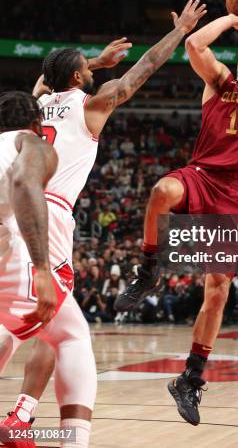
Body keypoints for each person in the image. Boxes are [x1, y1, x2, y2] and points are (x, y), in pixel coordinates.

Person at [0, 0, 206, 446]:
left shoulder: (37, 101)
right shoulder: (92, 105)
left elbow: (45, 77)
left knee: (31, 319)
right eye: (87, 70)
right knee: (57, 328)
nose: (94, 73)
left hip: (7, 204)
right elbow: (146, 67)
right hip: (45, 214)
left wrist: (90, 60)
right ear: (78, 79)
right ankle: (26, 419)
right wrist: (182, 31)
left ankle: (23, 417)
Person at [116, 0, 238, 425]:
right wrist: (234, 18)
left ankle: (190, 379)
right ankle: (149, 269)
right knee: (160, 192)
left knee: (217, 293)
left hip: (234, 195)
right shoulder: (218, 82)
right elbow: (194, 43)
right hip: (201, 174)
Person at [0, 91, 96, 448]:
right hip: (26, 236)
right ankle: (67, 439)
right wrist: (42, 269)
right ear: (38, 124)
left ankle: (21, 419)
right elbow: (26, 185)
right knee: (69, 334)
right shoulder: (32, 143)